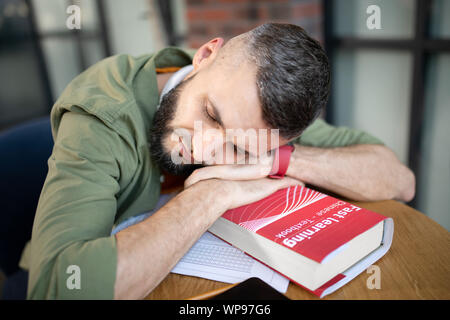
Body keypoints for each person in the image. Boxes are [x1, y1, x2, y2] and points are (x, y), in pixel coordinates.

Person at [24, 23, 415, 299]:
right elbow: (59, 287)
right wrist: (211, 195)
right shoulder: (103, 112)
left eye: (240, 146)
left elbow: (399, 179)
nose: (205, 151)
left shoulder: (260, 118)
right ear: (206, 55)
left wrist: (279, 160)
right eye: (211, 114)